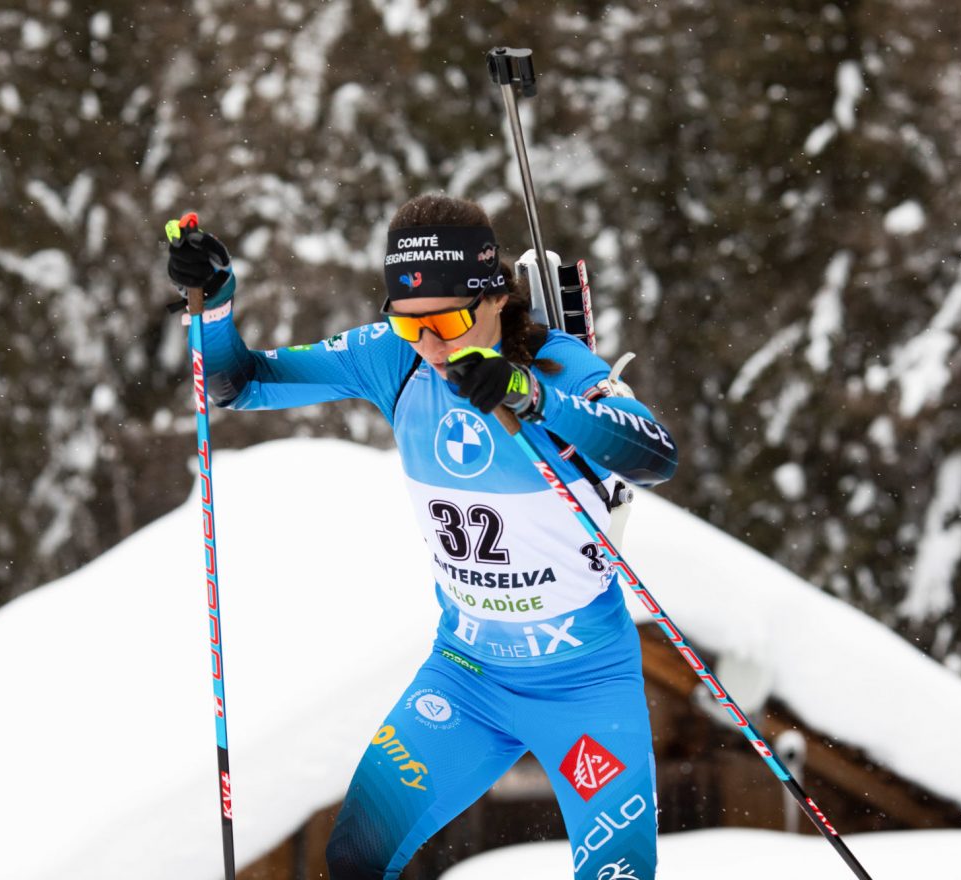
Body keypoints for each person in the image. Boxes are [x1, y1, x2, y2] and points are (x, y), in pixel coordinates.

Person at [166, 194, 678, 880]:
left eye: (447, 322)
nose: (431, 346)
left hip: (583, 682)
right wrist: (217, 302)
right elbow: (238, 383)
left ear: (496, 296)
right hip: (468, 675)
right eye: (410, 327)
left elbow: (655, 457)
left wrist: (531, 395)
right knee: (356, 856)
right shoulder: (392, 360)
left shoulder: (559, 366)